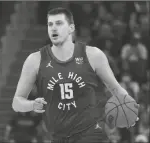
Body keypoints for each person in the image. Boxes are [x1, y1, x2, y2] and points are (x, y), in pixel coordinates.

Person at [12, 7, 139, 143]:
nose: (54, 28)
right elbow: (16, 103)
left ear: (71, 28)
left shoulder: (93, 55)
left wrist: (129, 106)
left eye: (59, 23)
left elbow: (115, 88)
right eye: (50, 24)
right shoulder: (35, 60)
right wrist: (32, 105)